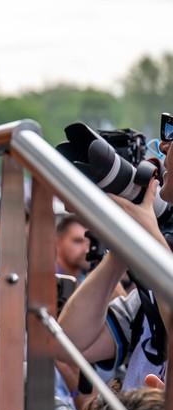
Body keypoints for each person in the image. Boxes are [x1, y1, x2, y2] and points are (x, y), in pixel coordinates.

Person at [57, 150, 171, 395]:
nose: (165, 146)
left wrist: (151, 238)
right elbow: (69, 343)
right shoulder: (148, 301)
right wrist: (124, 243)